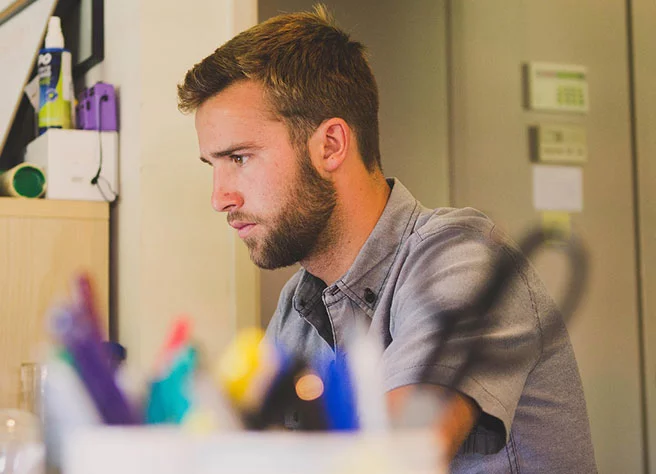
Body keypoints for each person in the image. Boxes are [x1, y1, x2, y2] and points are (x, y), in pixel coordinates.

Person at [177, 5, 597, 473]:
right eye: (212, 165)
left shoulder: (463, 258)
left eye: (239, 158)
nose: (220, 198)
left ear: (331, 146)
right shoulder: (297, 308)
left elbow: (399, 457)